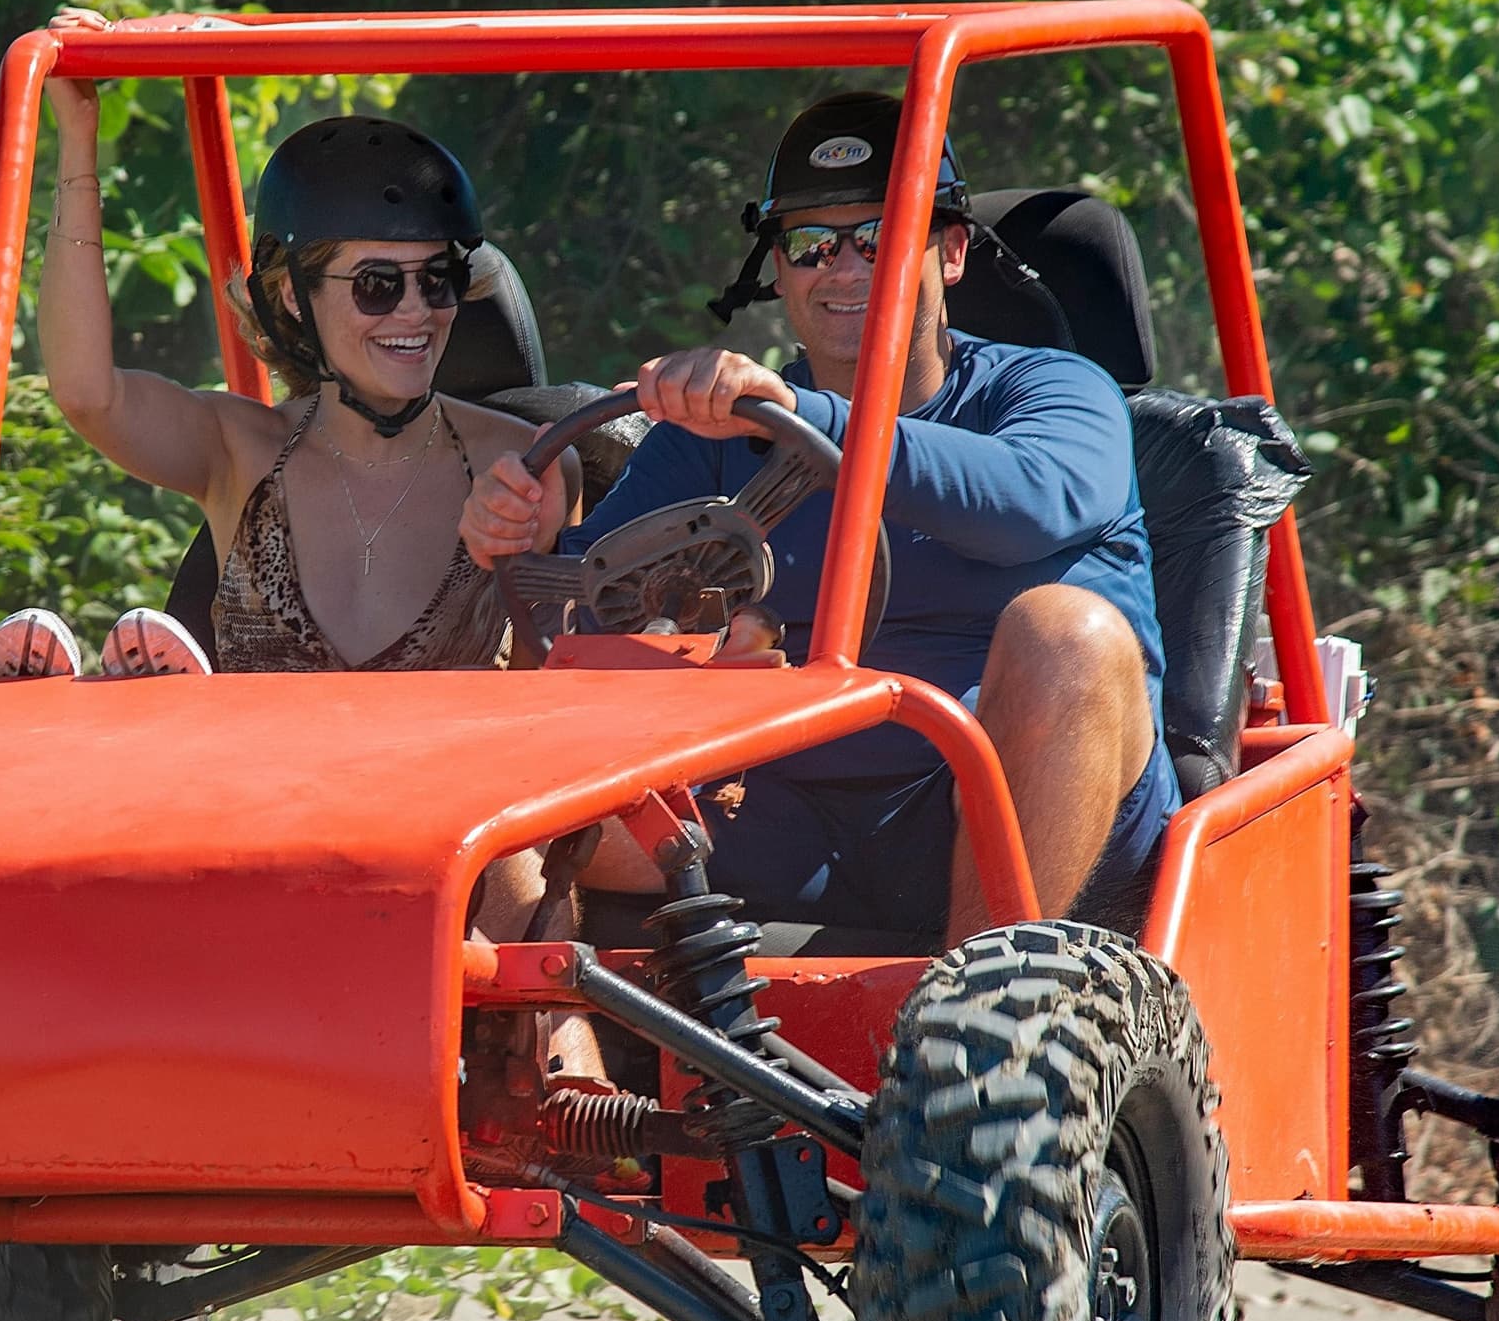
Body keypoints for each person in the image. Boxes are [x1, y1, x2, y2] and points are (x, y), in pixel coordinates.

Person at [0, 8, 603, 1081]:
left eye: (438, 278)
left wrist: (529, 540)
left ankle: (558, 1061)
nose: (415, 312)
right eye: (377, 284)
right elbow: (84, 394)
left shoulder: (527, 456)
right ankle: (92, 745)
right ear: (289, 294)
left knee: (512, 847)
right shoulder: (241, 446)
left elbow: (579, 635)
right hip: (261, 849)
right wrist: (76, 140)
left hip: (452, 869)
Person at [458, 90, 1172, 941]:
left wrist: (815, 418)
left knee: (1068, 633)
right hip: (775, 812)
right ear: (779, 268)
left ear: (949, 253)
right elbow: (585, 609)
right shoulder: (721, 436)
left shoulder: (1052, 390)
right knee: (495, 794)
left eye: (877, 236)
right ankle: (542, 1062)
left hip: (1011, 810)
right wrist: (527, 538)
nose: (843, 268)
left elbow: (1033, 498)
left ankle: (985, 1029)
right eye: (809, 244)